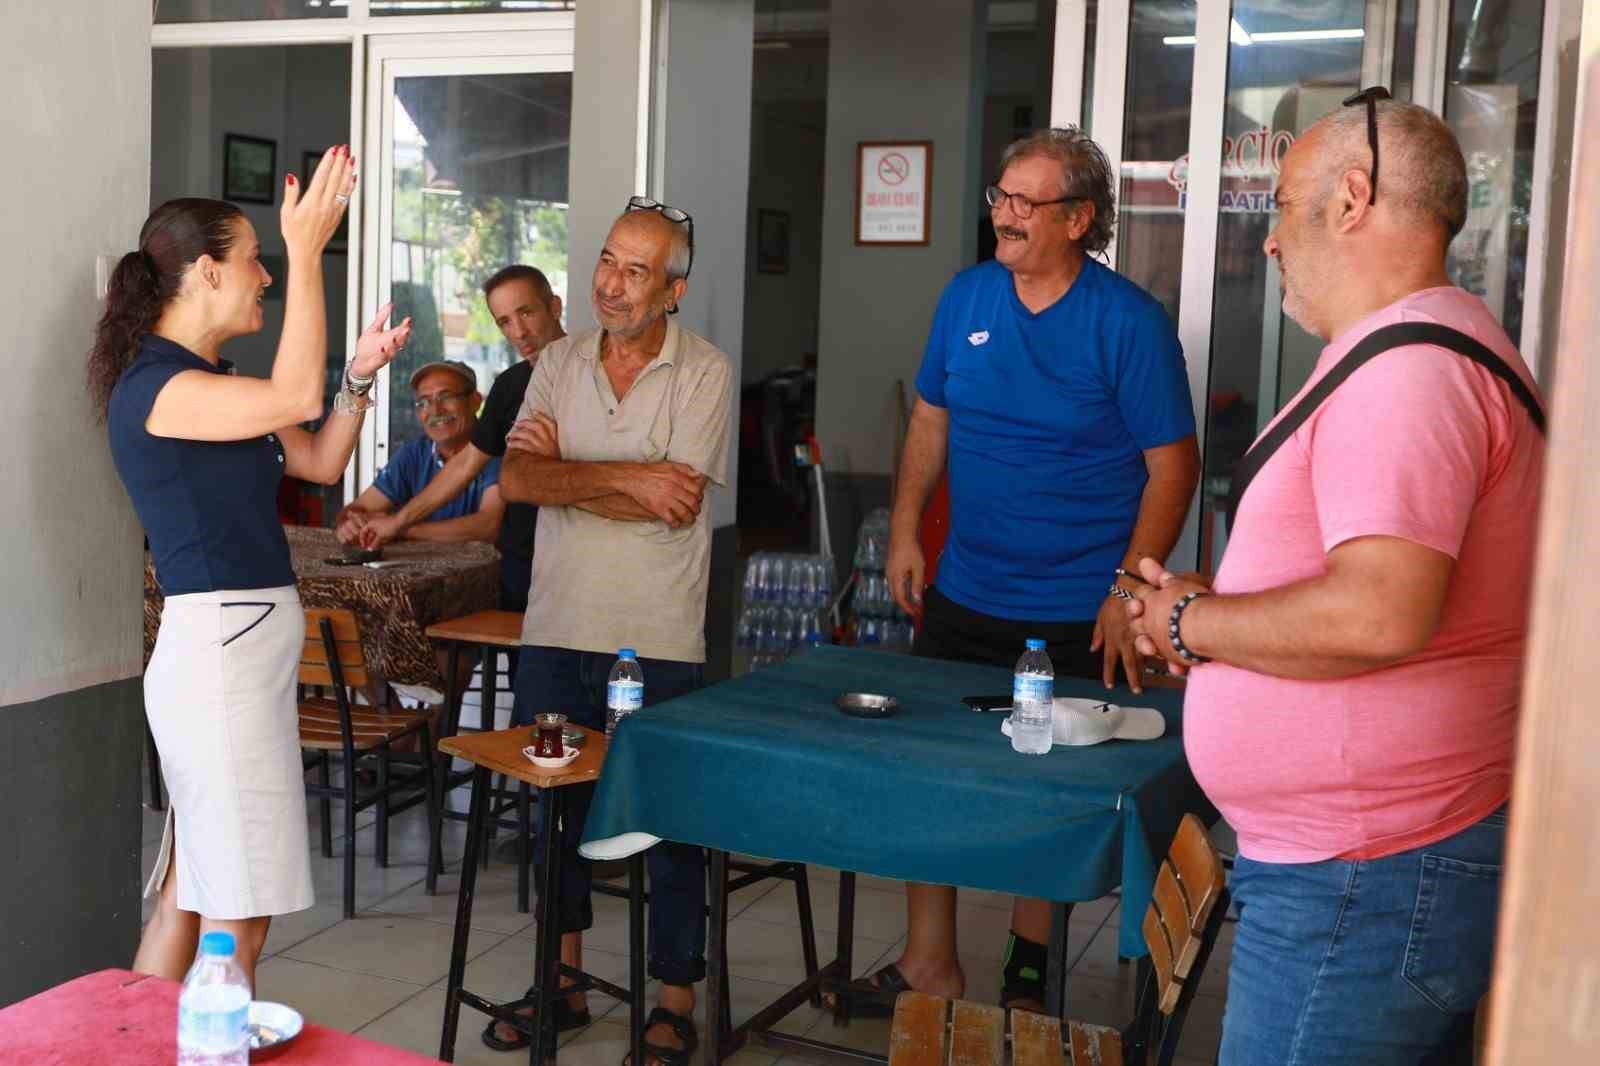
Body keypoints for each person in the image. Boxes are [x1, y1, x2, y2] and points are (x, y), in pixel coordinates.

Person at [1126, 97, 1544, 1066]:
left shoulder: (1409, 372)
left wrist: (1191, 621)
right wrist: (1214, 616)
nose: (1267, 241)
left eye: (1277, 206)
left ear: (1351, 199)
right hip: (1377, 867)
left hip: (1363, 878)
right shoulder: (1420, 346)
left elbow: (1378, 608)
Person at [867, 127, 1200, 1013]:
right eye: (1001, 197)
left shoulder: (1126, 321)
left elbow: (1175, 466)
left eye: (1026, 202)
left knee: (1046, 787)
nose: (1005, 216)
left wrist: (1129, 587)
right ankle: (928, 960)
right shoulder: (967, 296)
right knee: (924, 771)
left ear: (1079, 218)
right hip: (968, 587)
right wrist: (905, 531)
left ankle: (1029, 955)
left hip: (1077, 606)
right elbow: (929, 422)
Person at [94, 149, 413, 987]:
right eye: (254, 260)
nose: (266, 276)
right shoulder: (158, 390)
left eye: (275, 262)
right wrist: (308, 253)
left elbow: (314, 455)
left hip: (232, 661)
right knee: (238, 908)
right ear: (204, 272)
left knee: (191, 899)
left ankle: (136, 1047)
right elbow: (293, 400)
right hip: (220, 664)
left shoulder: (207, 382)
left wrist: (358, 377)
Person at [485, 201, 732, 1060]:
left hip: (658, 634)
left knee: (665, 818)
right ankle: (563, 978)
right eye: (605, 260)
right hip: (557, 626)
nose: (611, 283)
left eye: (635, 271)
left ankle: (673, 996)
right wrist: (628, 478)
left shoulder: (705, 370)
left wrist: (569, 475)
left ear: (674, 289)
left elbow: (682, 499)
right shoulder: (554, 361)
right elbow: (517, 479)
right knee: (555, 811)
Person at [355, 264, 566, 617]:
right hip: (522, 565)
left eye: (526, 312)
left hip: (585, 563)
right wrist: (397, 523)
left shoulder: (597, 373)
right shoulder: (509, 386)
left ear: (555, 307)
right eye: (504, 322)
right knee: (525, 672)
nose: (519, 332)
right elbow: (466, 464)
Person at [334, 359, 503, 548]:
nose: (435, 410)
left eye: (446, 397)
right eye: (423, 402)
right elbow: (357, 508)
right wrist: (350, 523)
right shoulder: (414, 453)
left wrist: (398, 527)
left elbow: (488, 527)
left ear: (475, 401)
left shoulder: (495, 450)